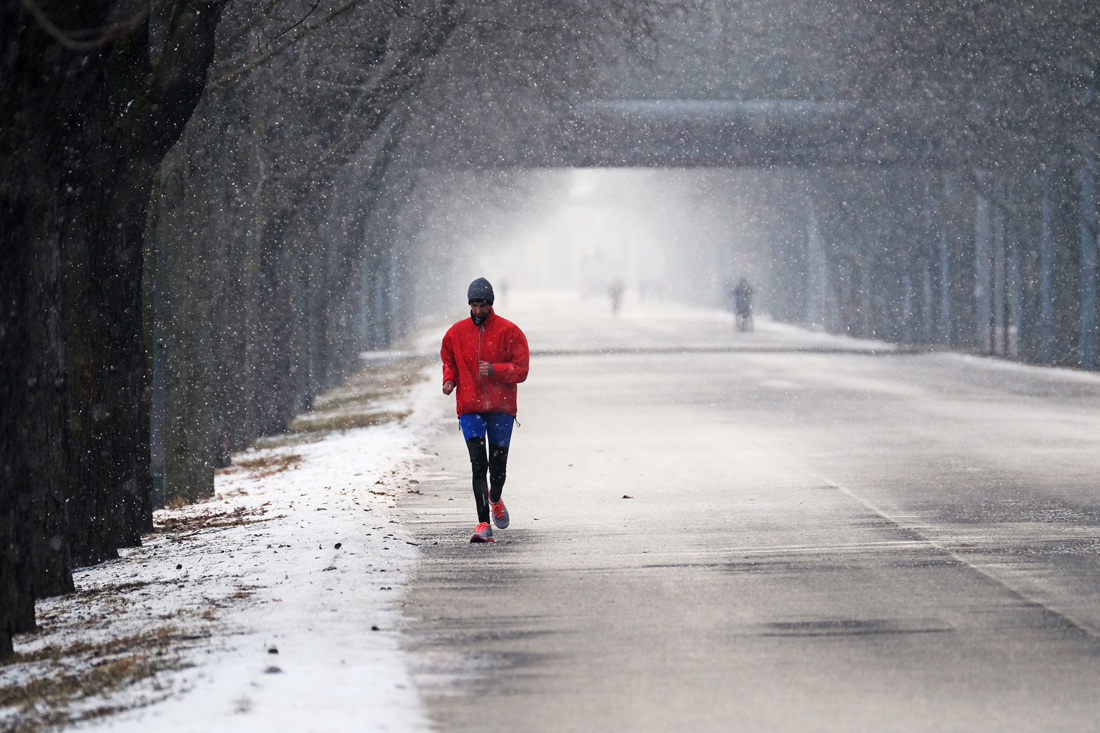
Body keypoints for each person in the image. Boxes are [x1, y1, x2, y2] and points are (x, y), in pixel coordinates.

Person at [441, 278, 530, 543]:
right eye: (474, 305)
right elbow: (449, 361)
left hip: (502, 408)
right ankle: (482, 523)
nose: (478, 311)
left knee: (498, 466)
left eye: (483, 306)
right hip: (469, 407)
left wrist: (496, 369)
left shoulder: (510, 331)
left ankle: (495, 498)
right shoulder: (456, 333)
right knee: (478, 464)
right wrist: (449, 380)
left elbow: (522, 370)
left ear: (491, 304)